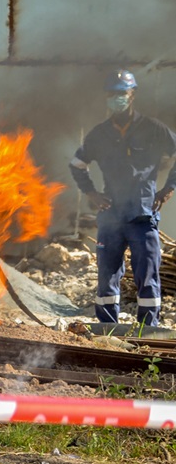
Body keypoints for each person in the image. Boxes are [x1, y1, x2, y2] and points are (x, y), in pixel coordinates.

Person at [70, 70, 176, 327]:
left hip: (142, 216)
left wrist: (168, 188)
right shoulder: (99, 134)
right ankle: (107, 329)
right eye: (112, 94)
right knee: (107, 275)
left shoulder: (153, 129)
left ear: (133, 95)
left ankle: (147, 331)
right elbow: (77, 164)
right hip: (111, 217)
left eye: (122, 93)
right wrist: (92, 193)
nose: (117, 99)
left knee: (147, 274)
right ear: (107, 97)